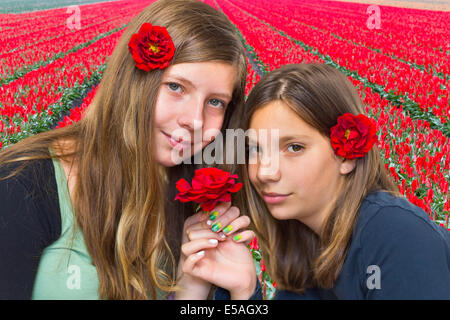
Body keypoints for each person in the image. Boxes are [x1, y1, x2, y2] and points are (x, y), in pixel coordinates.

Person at [0, 0, 255, 300]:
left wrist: (238, 293)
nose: (195, 120)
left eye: (215, 102)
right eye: (176, 87)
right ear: (133, 82)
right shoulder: (22, 184)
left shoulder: (200, 198)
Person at [181, 63, 450, 299]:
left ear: (347, 154)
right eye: (255, 149)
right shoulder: (304, 247)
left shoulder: (395, 235)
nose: (264, 172)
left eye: (294, 147)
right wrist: (243, 291)